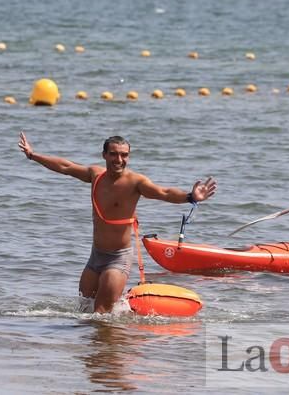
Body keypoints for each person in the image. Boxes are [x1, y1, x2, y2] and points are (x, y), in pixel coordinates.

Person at [18, 132, 217, 313]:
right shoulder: (96, 176)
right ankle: (101, 345)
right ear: (104, 155)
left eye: (124, 155)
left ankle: (108, 350)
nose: (119, 159)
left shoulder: (135, 182)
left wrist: (191, 196)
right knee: (84, 309)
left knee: (101, 313)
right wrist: (33, 155)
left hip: (118, 258)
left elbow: (163, 193)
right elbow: (66, 167)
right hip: (95, 256)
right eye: (114, 154)